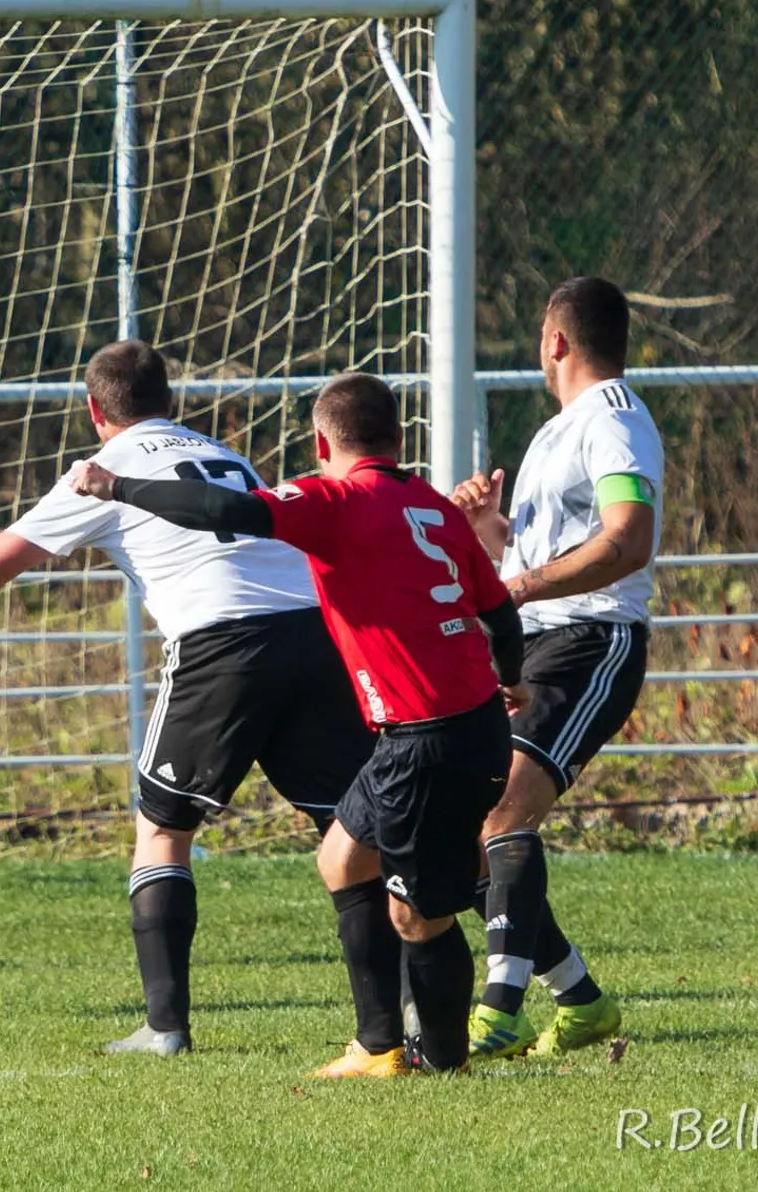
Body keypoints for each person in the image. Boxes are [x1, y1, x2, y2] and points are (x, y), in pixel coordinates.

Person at [0, 339, 373, 1055]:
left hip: (221, 646)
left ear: (94, 411)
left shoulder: (107, 468)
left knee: (162, 830)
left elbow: (1, 556)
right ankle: (413, 1007)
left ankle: (165, 1027)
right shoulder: (225, 455)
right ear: (169, 400)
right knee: (353, 830)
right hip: (313, 636)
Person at [72, 372, 523, 1076]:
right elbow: (499, 610)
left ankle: (445, 1062)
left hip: (429, 736)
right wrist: (514, 677)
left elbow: (217, 506)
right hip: (444, 728)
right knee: (343, 857)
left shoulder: (335, 500)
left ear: (320, 443)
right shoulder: (431, 504)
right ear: (398, 438)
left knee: (420, 914)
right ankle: (378, 1045)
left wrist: (119, 487)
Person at [448, 276, 659, 1059]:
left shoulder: (614, 421)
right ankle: (579, 999)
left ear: (556, 340)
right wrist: (486, 532)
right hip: (540, 640)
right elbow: (535, 556)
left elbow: (627, 540)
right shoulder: (557, 431)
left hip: (591, 641)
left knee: (504, 812)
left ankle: (497, 1013)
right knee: (473, 826)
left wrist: (523, 585)